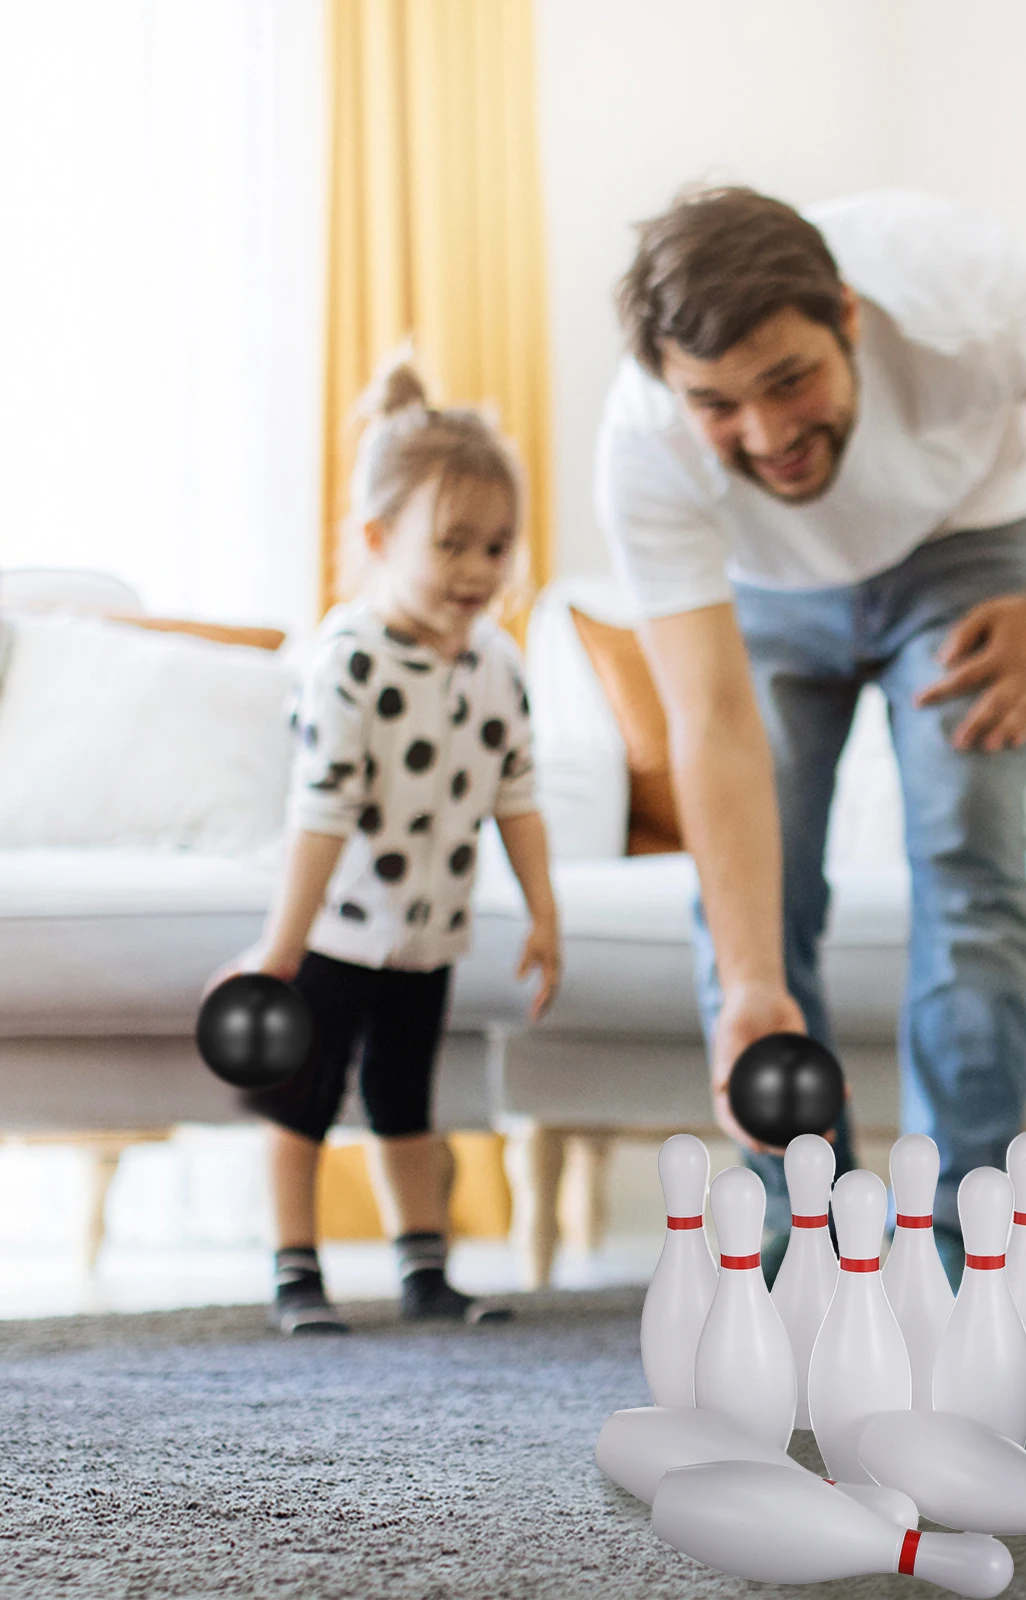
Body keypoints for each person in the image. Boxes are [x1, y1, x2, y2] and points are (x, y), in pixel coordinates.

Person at [597, 187, 1026, 1284]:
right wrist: (747, 982)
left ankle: (961, 1259)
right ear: (668, 385)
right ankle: (792, 1252)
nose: (769, 435)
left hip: (964, 544)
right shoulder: (642, 442)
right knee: (753, 910)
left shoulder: (969, 293)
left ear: (847, 315)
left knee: (964, 846)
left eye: (790, 380)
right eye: (719, 404)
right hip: (768, 589)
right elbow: (712, 720)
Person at [220, 356, 562, 1334]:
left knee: (409, 1103)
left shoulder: (497, 661)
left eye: (497, 546)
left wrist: (545, 909)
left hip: (428, 937)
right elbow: (319, 810)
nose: (477, 569)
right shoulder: (350, 661)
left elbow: (518, 793)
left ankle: (426, 1269)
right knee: (301, 1104)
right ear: (378, 538)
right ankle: (296, 1267)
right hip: (334, 937)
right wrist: (281, 947)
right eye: (451, 543)